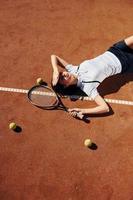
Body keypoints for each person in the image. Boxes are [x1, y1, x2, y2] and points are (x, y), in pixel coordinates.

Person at [51, 36, 133, 117]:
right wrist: (82, 110)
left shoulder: (72, 69)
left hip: (115, 50)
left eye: (61, 73)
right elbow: (105, 108)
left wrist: (55, 70)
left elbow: (54, 56)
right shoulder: (87, 87)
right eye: (62, 78)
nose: (64, 74)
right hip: (126, 63)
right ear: (66, 85)